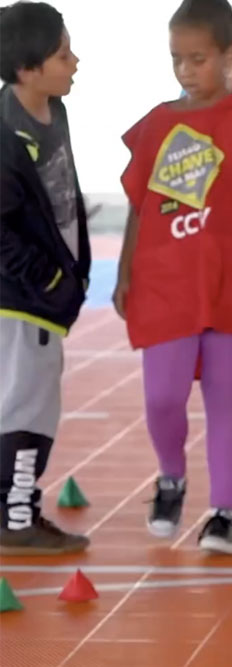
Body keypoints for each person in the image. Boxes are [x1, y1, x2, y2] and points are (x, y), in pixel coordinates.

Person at [114, 0, 232, 554]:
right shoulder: (157, 124)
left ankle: (223, 510)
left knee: (227, 399)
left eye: (197, 59)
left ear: (230, 53)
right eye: (176, 59)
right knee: (162, 398)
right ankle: (170, 477)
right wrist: (126, 271)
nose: (184, 71)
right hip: (164, 282)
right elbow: (138, 205)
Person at [0, 1, 90, 555]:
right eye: (62, 55)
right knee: (28, 406)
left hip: (48, 293)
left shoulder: (53, 112)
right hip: (23, 300)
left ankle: (13, 511)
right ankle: (16, 518)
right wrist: (50, 281)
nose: (75, 62)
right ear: (27, 69)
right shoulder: (5, 138)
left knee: (28, 399)